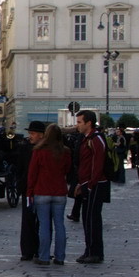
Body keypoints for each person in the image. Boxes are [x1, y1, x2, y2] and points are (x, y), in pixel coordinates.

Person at [27, 122, 72, 266]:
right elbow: (67, 170)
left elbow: (32, 173)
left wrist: (30, 190)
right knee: (60, 225)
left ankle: (44, 256)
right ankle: (60, 257)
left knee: (44, 225)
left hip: (42, 191)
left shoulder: (39, 151)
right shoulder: (65, 151)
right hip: (59, 192)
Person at [73, 109, 108, 264]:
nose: (77, 125)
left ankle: (95, 252)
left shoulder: (96, 139)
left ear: (89, 123)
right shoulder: (85, 138)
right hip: (87, 183)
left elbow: (98, 163)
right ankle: (89, 250)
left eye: (80, 122)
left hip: (96, 184)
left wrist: (91, 183)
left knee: (93, 219)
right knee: (87, 219)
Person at [13, 121, 45, 261]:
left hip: (42, 189)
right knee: (28, 220)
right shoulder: (25, 148)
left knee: (42, 221)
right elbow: (19, 166)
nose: (30, 136)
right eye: (30, 133)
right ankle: (27, 250)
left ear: (41, 135)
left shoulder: (45, 149)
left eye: (33, 133)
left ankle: (40, 250)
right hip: (27, 189)